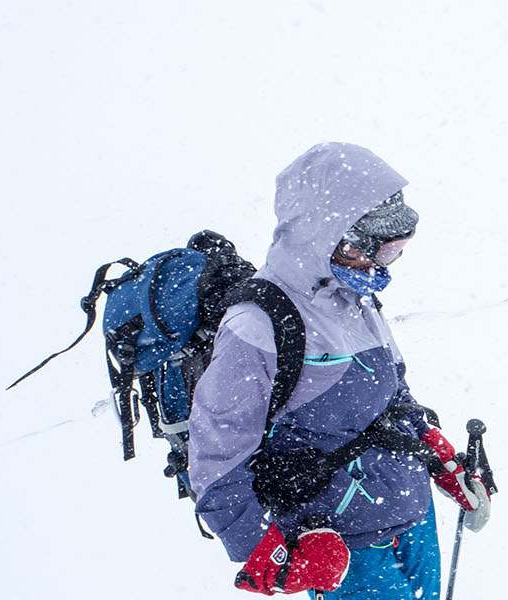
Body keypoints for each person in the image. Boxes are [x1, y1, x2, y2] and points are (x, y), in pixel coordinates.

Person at [189, 142, 490, 599]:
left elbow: (392, 393)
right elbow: (215, 455)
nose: (381, 266)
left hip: (409, 509)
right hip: (339, 543)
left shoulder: (357, 298)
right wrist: (262, 550)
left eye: (394, 251)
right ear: (323, 235)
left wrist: (435, 450)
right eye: (375, 251)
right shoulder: (256, 325)